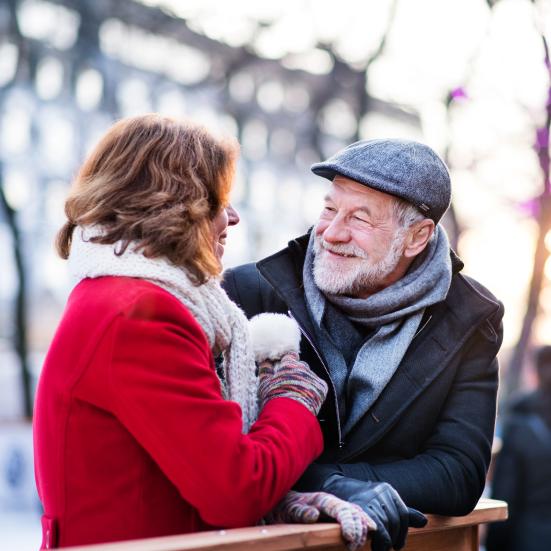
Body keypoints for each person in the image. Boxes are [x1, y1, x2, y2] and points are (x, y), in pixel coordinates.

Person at [33, 114, 337, 549]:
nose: (231, 218)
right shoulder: (142, 316)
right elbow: (236, 490)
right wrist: (293, 399)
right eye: (219, 199)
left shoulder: (115, 296)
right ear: (176, 205)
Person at [223, 138, 504, 550]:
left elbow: (457, 473)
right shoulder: (250, 291)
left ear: (416, 237)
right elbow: (225, 449)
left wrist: (328, 479)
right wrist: (337, 485)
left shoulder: (469, 318)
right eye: (329, 209)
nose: (331, 233)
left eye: (360, 219)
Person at [485, 345, 551, 551]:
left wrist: (493, 544)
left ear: (536, 372)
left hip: (528, 539)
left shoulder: (520, 421)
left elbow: (506, 494)